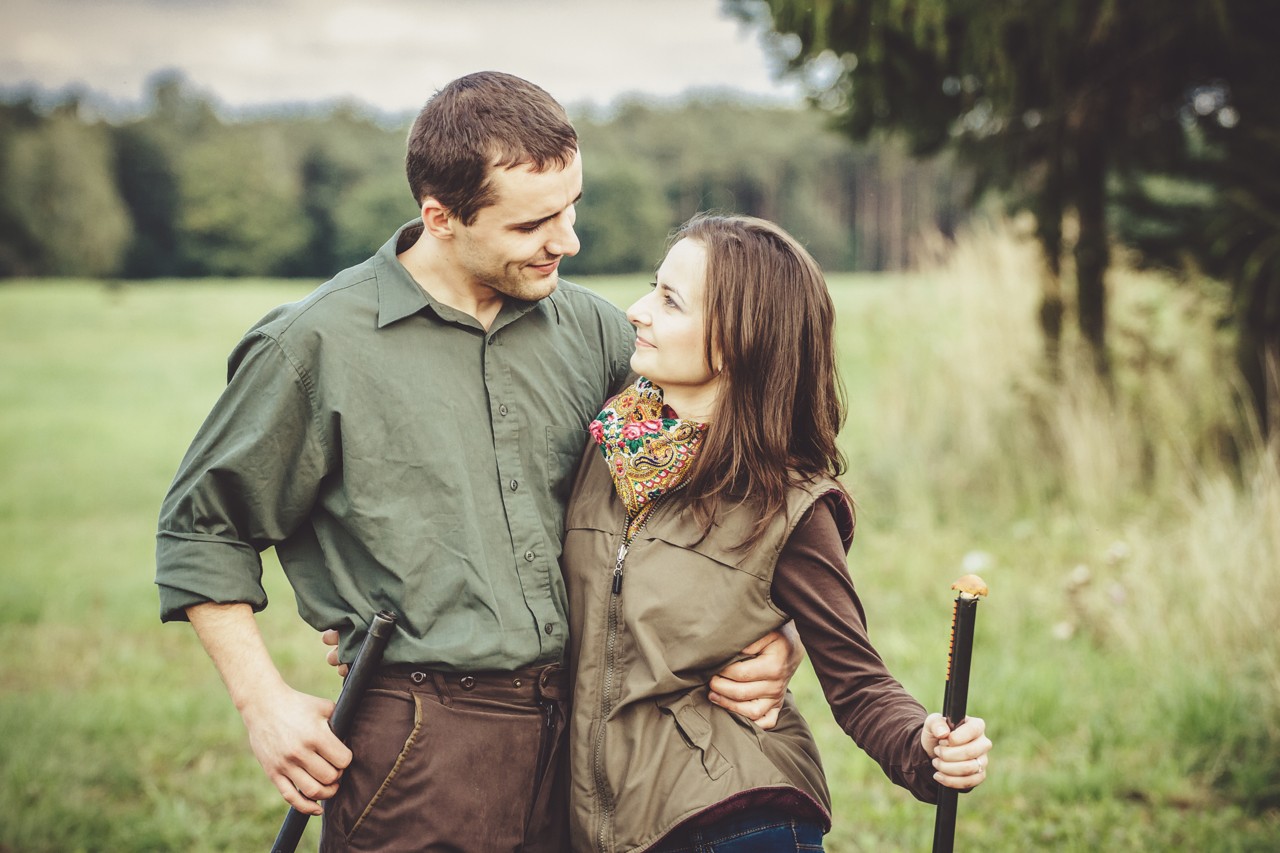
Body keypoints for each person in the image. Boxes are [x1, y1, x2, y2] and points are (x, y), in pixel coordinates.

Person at [154, 72, 801, 853]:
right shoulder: (314, 345)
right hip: (420, 738)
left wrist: (777, 628)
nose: (567, 241)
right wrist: (263, 703)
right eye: (533, 224)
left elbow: (727, 471)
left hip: (591, 740)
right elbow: (203, 527)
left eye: (572, 208)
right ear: (441, 218)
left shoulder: (596, 333)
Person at [560, 213, 994, 852]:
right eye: (654, 289)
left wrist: (924, 748)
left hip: (734, 820)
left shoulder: (787, 504)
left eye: (669, 301)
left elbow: (858, 680)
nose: (636, 311)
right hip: (604, 828)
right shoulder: (604, 446)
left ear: (739, 340)